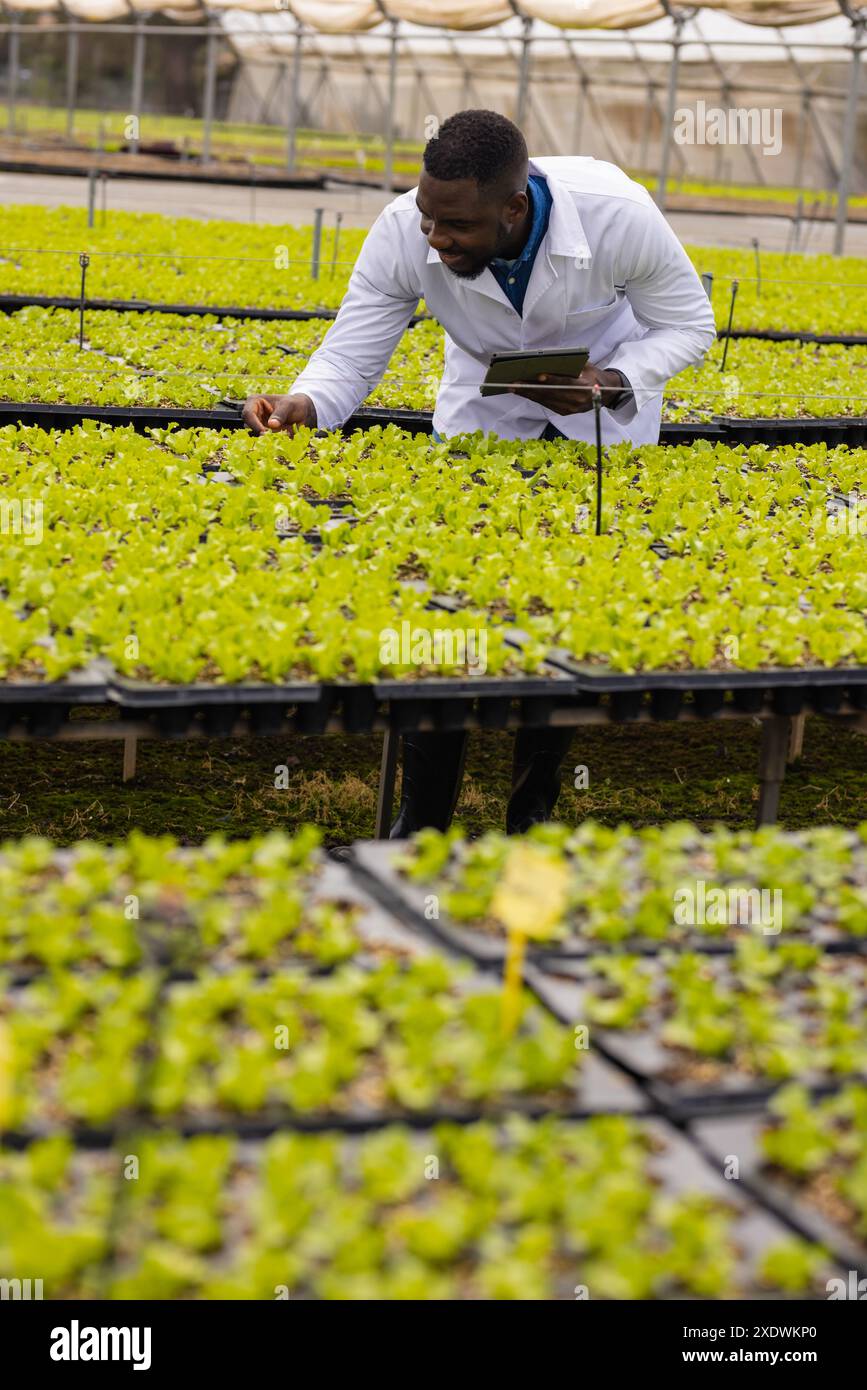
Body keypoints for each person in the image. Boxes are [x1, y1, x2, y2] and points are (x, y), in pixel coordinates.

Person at [244, 108, 716, 837]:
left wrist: (613, 380)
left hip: (595, 406)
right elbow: (353, 349)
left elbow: (688, 325)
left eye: (457, 227)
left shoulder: (616, 215)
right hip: (484, 398)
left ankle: (531, 812)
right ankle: (421, 818)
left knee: (565, 606)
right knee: (448, 595)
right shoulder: (407, 226)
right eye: (430, 218)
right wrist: (305, 402)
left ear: (513, 207)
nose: (436, 238)